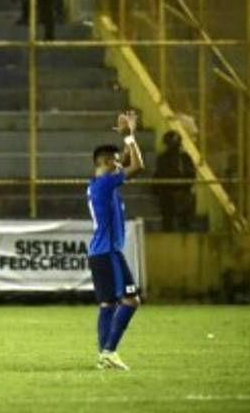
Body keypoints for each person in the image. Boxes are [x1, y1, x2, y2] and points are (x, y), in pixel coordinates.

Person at [88, 111, 145, 371]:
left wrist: (126, 140)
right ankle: (110, 351)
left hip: (99, 253)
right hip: (109, 252)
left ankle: (104, 355)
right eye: (116, 161)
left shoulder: (98, 184)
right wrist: (130, 136)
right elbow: (137, 167)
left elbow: (126, 162)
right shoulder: (104, 184)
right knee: (131, 300)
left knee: (108, 303)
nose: (120, 163)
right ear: (108, 163)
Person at [154, 130, 194, 231]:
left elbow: (191, 175)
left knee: (186, 205)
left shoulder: (185, 157)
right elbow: (160, 175)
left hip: (183, 192)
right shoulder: (163, 158)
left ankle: (186, 227)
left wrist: (184, 187)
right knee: (167, 216)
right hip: (167, 193)